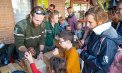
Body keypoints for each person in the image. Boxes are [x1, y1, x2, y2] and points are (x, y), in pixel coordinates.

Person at [80, 6, 121, 73]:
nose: (87, 25)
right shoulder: (96, 31)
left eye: (90, 22)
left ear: (100, 21)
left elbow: (103, 66)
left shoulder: (108, 39)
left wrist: (83, 54)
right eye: (86, 22)